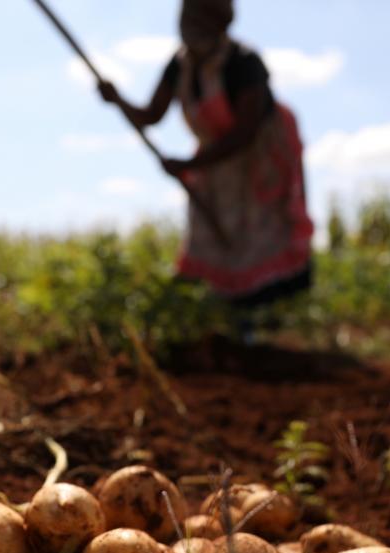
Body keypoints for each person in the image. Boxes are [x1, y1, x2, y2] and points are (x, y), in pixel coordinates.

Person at [99, 0, 315, 331]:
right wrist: (117, 99)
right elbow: (150, 115)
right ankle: (219, 321)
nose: (189, 25)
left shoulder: (243, 63)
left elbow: (245, 130)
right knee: (212, 237)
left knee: (256, 236)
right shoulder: (180, 64)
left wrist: (191, 163)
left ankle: (261, 321)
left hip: (258, 157)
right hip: (214, 161)